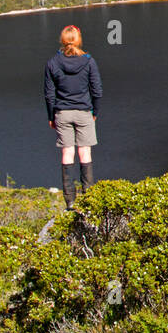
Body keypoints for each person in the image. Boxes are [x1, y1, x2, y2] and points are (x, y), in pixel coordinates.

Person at [43, 24, 102, 209]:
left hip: (62, 113)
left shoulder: (52, 63)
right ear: (78, 39)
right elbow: (97, 91)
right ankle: (89, 197)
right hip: (84, 112)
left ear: (62, 40)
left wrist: (51, 116)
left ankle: (70, 201)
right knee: (85, 152)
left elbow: (48, 94)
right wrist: (95, 112)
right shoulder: (88, 61)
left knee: (67, 153)